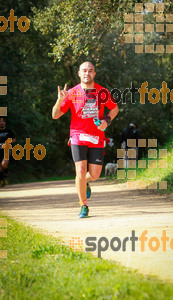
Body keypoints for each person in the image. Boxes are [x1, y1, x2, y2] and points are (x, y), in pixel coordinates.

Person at [52, 61, 119, 218]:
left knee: (94, 175)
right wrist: (59, 100)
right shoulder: (72, 93)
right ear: (79, 73)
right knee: (80, 171)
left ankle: (84, 182)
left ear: (94, 74)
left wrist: (106, 122)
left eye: (90, 71)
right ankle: (83, 206)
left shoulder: (102, 92)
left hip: (97, 136)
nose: (87, 73)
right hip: (77, 136)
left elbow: (114, 109)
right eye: (84, 70)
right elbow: (55, 115)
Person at [0, 117, 16, 187]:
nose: (1, 123)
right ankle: (2, 180)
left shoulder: (8, 131)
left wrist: (8, 142)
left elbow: (14, 139)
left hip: (6, 149)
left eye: (3, 121)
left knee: (4, 164)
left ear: (5, 123)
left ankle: (5, 176)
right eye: (0, 121)